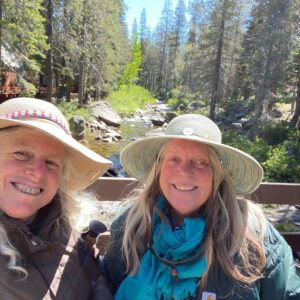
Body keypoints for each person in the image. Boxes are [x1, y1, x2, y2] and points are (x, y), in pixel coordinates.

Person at [103, 114, 300, 300]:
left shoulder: (255, 236)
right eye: (174, 159)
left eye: (200, 162)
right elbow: (106, 288)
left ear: (217, 173)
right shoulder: (130, 225)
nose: (185, 172)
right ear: (159, 168)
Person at [0, 97, 113, 300]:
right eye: (21, 153)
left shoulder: (66, 226)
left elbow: (94, 280)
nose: (38, 172)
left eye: (51, 162)